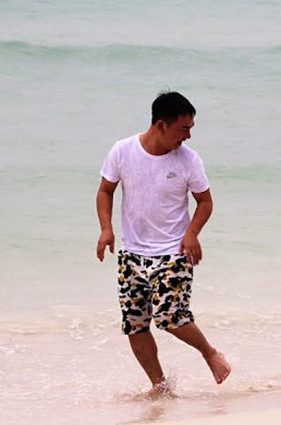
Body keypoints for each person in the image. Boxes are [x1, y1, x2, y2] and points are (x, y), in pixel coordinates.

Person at [95, 91, 231, 396]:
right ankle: (159, 387)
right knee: (135, 324)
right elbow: (105, 190)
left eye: (191, 128)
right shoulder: (122, 151)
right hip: (132, 253)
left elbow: (205, 202)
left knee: (171, 318)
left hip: (173, 251)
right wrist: (106, 230)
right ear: (160, 125)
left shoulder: (189, 160)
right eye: (183, 128)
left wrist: (192, 233)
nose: (189, 135)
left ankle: (209, 353)